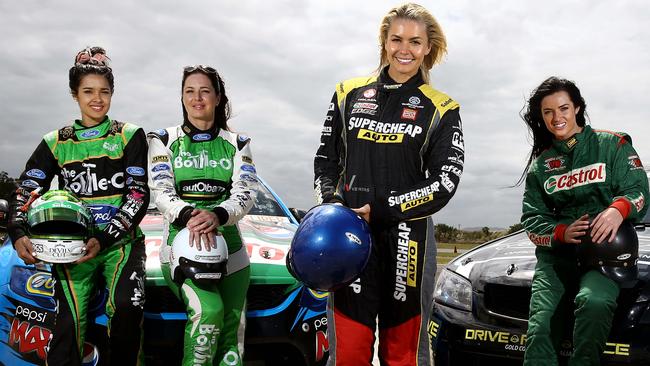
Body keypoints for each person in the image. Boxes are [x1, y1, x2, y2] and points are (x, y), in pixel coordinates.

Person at [314, 3, 463, 365]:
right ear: (384, 42)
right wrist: (335, 206)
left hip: (409, 238)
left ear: (428, 48)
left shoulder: (442, 107)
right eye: (396, 39)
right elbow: (326, 160)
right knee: (348, 350)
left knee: (404, 354)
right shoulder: (347, 92)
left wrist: (385, 209)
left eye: (415, 42)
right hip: (351, 236)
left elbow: (445, 181)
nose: (404, 50)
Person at [7, 46, 149, 365]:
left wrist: (106, 238)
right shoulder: (55, 141)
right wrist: (18, 232)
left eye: (104, 92)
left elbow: (139, 194)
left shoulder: (129, 135)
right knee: (68, 328)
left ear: (112, 94)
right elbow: (26, 188)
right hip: (73, 247)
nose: (96, 99)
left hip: (120, 244)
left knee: (127, 310)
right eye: (88, 91)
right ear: (75, 94)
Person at [519, 76, 649, 365]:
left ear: (577, 108)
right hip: (557, 258)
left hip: (604, 256)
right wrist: (561, 232)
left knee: (594, 303)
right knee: (541, 328)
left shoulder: (612, 145)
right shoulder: (541, 165)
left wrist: (619, 209)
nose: (557, 118)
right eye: (548, 112)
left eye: (563, 108)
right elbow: (532, 218)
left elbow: (638, 189)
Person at [147, 65, 258, 366]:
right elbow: (160, 190)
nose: (197, 98)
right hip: (181, 245)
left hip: (232, 249)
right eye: (189, 91)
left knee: (231, 336)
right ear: (182, 97)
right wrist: (190, 216)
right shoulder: (163, 139)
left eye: (205, 91)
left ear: (218, 97)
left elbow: (246, 192)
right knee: (208, 313)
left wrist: (218, 215)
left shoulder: (238, 143)